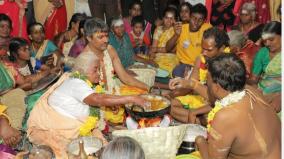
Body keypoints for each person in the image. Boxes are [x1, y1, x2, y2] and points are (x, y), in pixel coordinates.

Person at [27, 52, 149, 158]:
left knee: (107, 148)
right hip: (54, 132)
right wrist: (131, 98)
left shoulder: (82, 83)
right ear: (82, 71)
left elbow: (94, 102)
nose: (99, 73)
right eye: (95, 69)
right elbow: (97, 99)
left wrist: (109, 104)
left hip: (76, 130)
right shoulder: (76, 82)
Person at [195, 54, 281, 159]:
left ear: (216, 87)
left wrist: (200, 141)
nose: (206, 86)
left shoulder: (225, 116)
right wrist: (192, 84)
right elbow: (217, 98)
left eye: (207, 83)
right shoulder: (251, 91)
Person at [169, 27, 229, 124]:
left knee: (211, 117)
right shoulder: (201, 59)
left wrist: (192, 84)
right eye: (202, 48)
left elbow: (218, 99)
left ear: (221, 48)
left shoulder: (228, 65)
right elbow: (190, 85)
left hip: (219, 104)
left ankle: (199, 120)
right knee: (169, 105)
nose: (204, 53)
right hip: (201, 99)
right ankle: (197, 120)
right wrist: (169, 95)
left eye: (209, 50)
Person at [166, 3, 212, 78]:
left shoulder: (208, 28)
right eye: (194, 18)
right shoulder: (181, 28)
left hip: (201, 65)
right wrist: (176, 35)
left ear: (204, 21)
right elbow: (167, 48)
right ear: (190, 17)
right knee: (177, 72)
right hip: (185, 65)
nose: (196, 22)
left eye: (200, 20)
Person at [249, 21, 281, 113]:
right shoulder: (263, 52)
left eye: (271, 39)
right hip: (264, 92)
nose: (267, 44)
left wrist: (280, 97)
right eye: (264, 41)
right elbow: (254, 79)